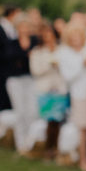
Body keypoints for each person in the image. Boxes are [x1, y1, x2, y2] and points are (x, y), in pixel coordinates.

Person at [58, 22, 86, 171]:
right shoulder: (64, 53)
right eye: (73, 37)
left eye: (78, 36)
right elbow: (67, 76)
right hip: (79, 94)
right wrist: (81, 64)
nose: (76, 39)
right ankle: (84, 160)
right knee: (82, 127)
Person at [30, 23, 68, 160]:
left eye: (50, 35)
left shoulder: (63, 50)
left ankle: (55, 148)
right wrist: (49, 65)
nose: (48, 38)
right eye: (45, 36)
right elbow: (35, 70)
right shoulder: (37, 51)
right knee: (49, 120)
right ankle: (47, 148)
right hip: (45, 90)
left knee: (57, 121)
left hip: (59, 90)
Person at [6, 18, 39, 153]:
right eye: (22, 27)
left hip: (30, 79)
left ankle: (30, 142)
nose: (25, 30)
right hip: (15, 79)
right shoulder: (12, 42)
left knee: (32, 111)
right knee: (20, 111)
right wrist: (26, 55)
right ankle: (20, 143)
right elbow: (10, 58)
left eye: (27, 26)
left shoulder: (35, 41)